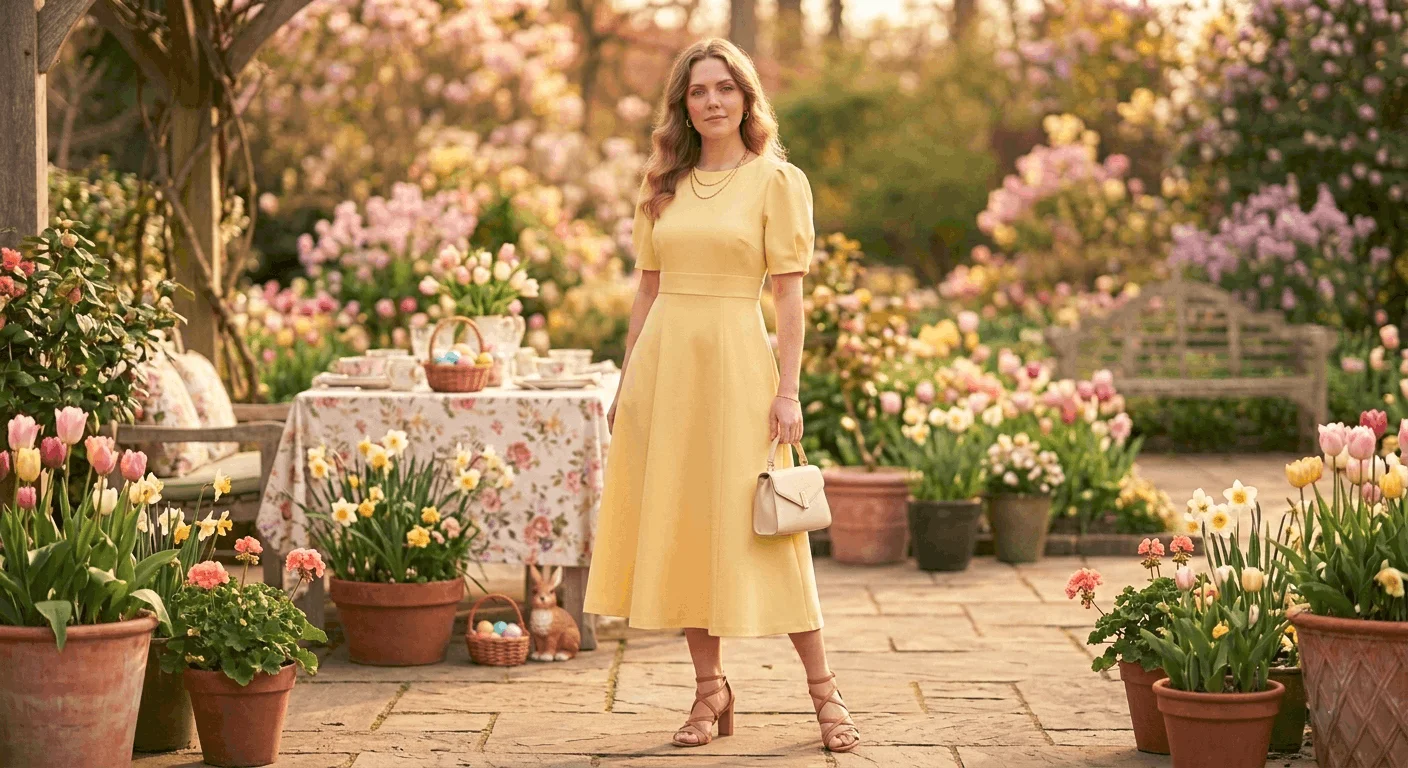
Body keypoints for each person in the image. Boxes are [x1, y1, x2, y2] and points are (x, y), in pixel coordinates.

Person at [582, 38, 860, 753]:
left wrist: (788, 391)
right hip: (665, 368)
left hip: (738, 366)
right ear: (683, 104)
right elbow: (647, 290)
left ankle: (824, 693)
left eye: (724, 88)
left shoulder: (777, 181)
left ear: (745, 97)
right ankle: (710, 692)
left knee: (769, 528)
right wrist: (626, 382)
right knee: (683, 526)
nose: (711, 102)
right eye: (698, 91)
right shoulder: (661, 184)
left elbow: (790, 299)